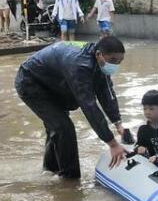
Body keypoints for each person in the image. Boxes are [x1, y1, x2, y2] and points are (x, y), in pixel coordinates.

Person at [15, 36, 129, 178]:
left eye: (119, 62)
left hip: (54, 84)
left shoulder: (99, 62)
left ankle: (49, 170)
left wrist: (118, 123)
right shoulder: (79, 65)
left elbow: (106, 92)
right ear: (99, 54)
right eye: (113, 60)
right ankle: (70, 180)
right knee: (64, 127)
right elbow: (89, 106)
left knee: (57, 127)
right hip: (31, 82)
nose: (116, 65)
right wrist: (112, 143)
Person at [135, 90, 158, 163]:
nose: (147, 112)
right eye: (145, 108)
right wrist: (140, 148)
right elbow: (139, 145)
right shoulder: (143, 130)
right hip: (152, 164)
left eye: (151, 109)